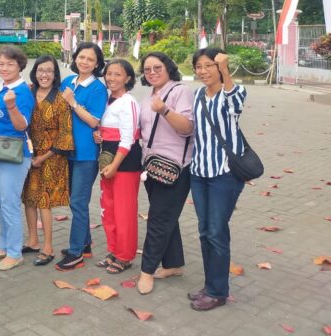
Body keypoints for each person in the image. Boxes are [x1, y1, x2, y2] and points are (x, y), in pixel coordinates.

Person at [188, 48, 246, 311]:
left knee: (216, 232)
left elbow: (236, 105)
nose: (203, 71)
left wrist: (226, 71)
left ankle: (218, 291)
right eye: (199, 66)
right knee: (204, 231)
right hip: (199, 173)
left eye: (209, 65)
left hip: (224, 175)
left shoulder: (233, 91)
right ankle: (210, 283)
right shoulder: (198, 94)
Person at [136, 51, 194, 295]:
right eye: (147, 69)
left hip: (175, 168)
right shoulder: (149, 95)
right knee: (166, 216)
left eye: (157, 67)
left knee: (158, 219)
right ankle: (173, 265)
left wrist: (165, 111)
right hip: (151, 167)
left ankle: (146, 271)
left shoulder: (180, 91)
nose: (152, 73)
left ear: (168, 67)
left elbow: (188, 128)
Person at [56, 42, 108, 271]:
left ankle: (76, 252)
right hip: (67, 149)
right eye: (81, 57)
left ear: (97, 64)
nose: (84, 62)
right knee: (74, 200)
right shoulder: (67, 82)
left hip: (86, 153)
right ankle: (84, 243)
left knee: (78, 202)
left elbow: (94, 121)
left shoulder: (98, 88)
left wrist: (73, 103)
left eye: (90, 59)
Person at [0, 46, 34, 272]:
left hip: (14, 153)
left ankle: (14, 253)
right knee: (0, 201)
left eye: (9, 64)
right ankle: (4, 245)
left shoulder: (21, 92)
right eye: (1, 64)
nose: (4, 68)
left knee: (10, 203)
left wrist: (12, 106)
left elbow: (22, 125)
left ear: (19, 65)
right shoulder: (4, 88)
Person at [22, 55, 73, 266]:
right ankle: (33, 240)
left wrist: (42, 157)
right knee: (28, 198)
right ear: (35, 72)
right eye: (41, 70)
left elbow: (65, 135)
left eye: (49, 71)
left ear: (55, 75)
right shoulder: (27, 94)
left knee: (44, 200)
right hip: (28, 155)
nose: (45, 75)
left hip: (51, 158)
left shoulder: (60, 99)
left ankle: (48, 246)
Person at [94, 59, 142, 275]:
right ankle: (113, 250)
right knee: (109, 209)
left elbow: (129, 137)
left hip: (124, 162)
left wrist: (115, 165)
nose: (112, 78)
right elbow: (107, 129)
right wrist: (99, 135)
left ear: (128, 78)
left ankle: (125, 255)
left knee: (125, 211)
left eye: (118, 74)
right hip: (107, 160)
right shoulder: (107, 100)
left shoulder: (128, 101)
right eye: (109, 73)